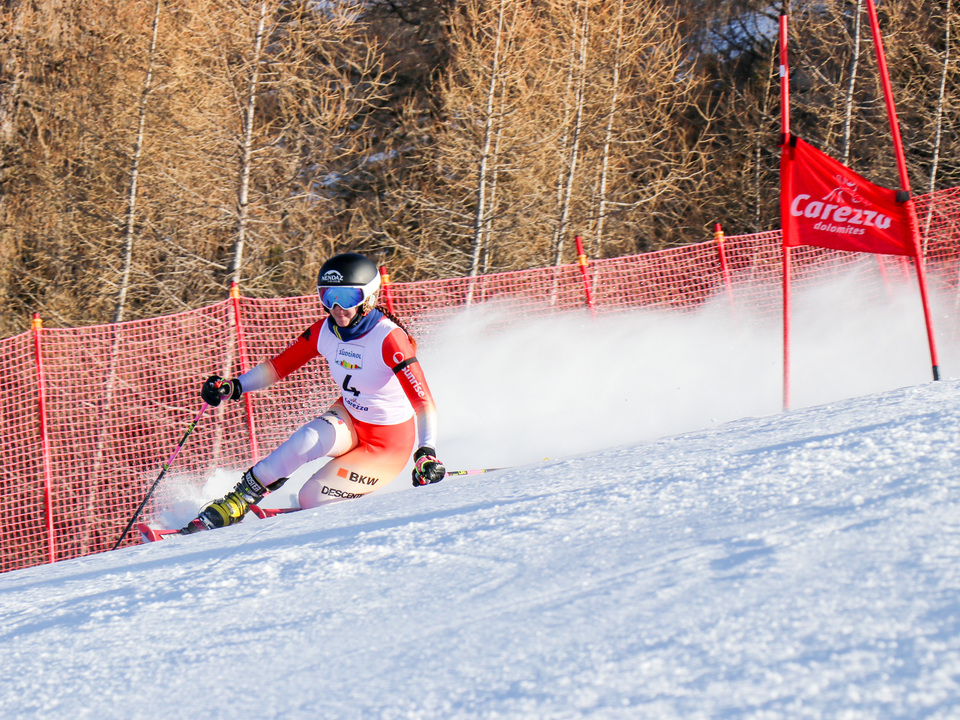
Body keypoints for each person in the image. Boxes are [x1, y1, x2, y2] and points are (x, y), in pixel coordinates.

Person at [180, 252, 445, 534]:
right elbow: (279, 367)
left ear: (368, 298)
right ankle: (238, 500)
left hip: (387, 446)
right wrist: (235, 386)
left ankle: (346, 507)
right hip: (351, 418)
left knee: (310, 498)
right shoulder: (325, 331)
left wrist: (426, 452)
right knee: (304, 440)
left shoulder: (389, 338)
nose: (336, 308)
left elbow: (424, 402)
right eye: (328, 296)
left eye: (347, 298)